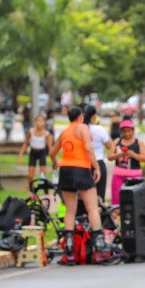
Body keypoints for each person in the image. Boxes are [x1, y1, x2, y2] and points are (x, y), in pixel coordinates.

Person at [48, 106, 114, 263]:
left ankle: (69, 249)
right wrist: (96, 167)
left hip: (66, 169)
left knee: (70, 211)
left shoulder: (65, 131)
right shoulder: (82, 127)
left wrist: (56, 164)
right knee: (92, 207)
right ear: (80, 117)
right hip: (81, 170)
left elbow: (52, 152)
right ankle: (99, 245)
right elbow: (88, 147)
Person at [107, 119, 145, 205]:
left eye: (129, 131)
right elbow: (110, 157)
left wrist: (134, 155)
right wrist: (121, 154)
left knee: (134, 200)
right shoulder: (117, 142)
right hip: (118, 175)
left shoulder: (138, 143)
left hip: (134, 175)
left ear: (133, 131)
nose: (127, 133)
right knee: (117, 200)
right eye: (124, 131)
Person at [83, 105, 112, 202]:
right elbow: (109, 146)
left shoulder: (81, 129)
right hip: (98, 162)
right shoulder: (99, 129)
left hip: (84, 163)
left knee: (85, 197)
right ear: (94, 116)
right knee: (99, 196)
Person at [17, 114, 55, 187]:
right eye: (37, 121)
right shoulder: (31, 131)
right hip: (33, 153)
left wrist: (53, 160)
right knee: (30, 176)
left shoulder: (46, 134)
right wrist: (20, 155)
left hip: (42, 153)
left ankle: (45, 190)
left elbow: (50, 148)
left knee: (43, 174)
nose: (39, 123)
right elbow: (25, 143)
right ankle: (32, 190)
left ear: (44, 122)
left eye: (41, 121)